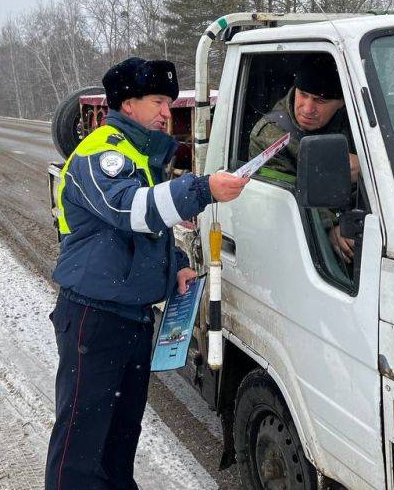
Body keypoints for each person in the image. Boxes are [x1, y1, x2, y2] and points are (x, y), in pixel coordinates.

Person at [45, 57, 248, 490]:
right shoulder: (102, 153)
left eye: (168, 104)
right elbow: (129, 210)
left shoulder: (140, 153)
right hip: (94, 317)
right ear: (128, 104)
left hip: (131, 315)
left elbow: (147, 234)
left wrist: (173, 267)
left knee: (120, 438)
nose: (165, 113)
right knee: (82, 443)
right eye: (157, 101)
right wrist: (202, 188)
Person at [248, 54, 360, 262]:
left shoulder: (359, 125)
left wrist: (364, 169)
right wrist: (329, 226)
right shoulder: (271, 136)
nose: (308, 108)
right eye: (303, 94)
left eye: (321, 100)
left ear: (341, 103)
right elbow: (284, 197)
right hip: (295, 246)